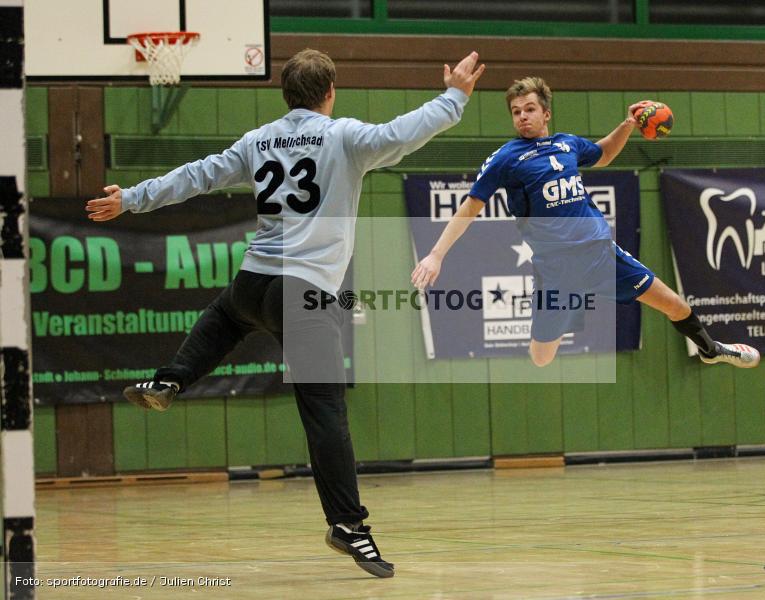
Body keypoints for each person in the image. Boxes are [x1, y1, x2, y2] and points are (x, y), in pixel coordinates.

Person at [86, 48, 486, 578]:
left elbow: (198, 175)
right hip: (306, 292)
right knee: (325, 413)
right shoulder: (343, 136)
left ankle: (171, 379)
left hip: (257, 282)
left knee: (226, 316)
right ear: (330, 92)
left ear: (286, 95)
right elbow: (403, 132)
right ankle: (348, 525)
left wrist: (132, 197)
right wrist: (455, 96)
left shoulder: (259, 141)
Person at [411, 77, 760, 369]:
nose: (522, 117)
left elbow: (604, 153)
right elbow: (470, 207)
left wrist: (628, 124)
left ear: (546, 112)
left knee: (676, 304)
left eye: (530, 109)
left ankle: (711, 349)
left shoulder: (567, 144)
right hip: (557, 271)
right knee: (541, 358)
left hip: (601, 255)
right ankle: (566, 309)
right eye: (516, 112)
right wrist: (436, 255)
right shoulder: (507, 158)